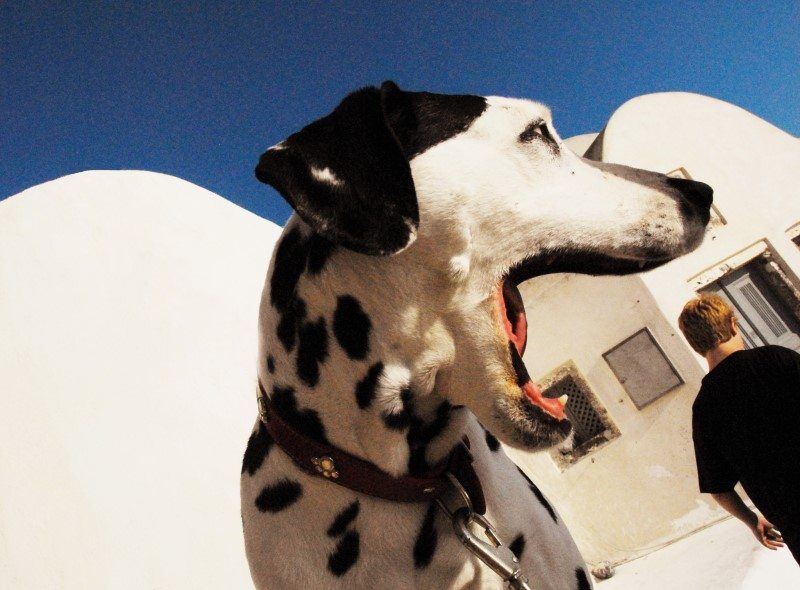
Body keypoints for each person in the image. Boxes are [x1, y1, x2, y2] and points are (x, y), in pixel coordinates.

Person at [678, 293, 800, 565]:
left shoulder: (705, 406)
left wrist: (752, 520)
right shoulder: (779, 359)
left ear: (696, 345)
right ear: (733, 325)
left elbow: (719, 489)